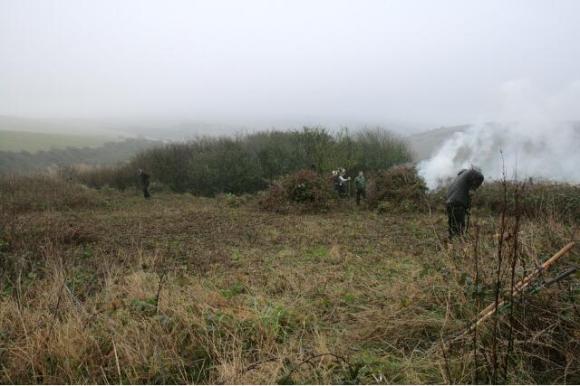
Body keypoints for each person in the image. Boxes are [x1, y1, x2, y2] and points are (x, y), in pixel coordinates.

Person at [446, 168, 484, 238]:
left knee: (452, 228)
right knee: (459, 229)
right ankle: (458, 246)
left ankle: (452, 245)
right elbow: (480, 176)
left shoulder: (456, 180)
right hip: (458, 205)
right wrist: (473, 188)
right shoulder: (469, 172)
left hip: (449, 204)